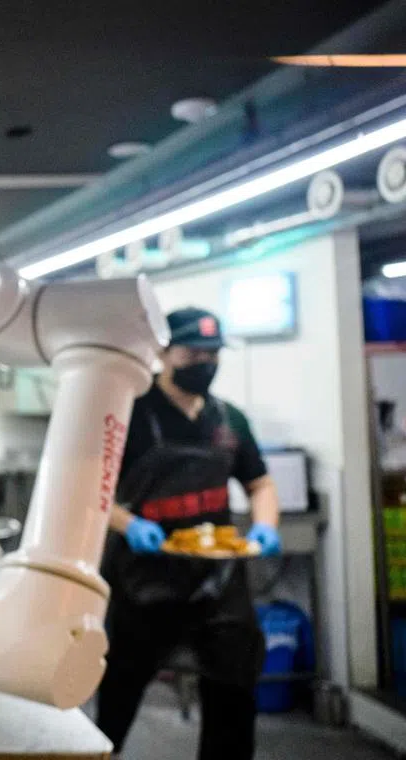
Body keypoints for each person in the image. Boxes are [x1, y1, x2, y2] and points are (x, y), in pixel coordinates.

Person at [96, 306, 282, 760]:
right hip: (146, 579)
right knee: (121, 688)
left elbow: (259, 483)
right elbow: (91, 493)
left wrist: (264, 525)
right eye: (193, 353)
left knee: (234, 688)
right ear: (162, 352)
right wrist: (130, 524)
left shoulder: (228, 419)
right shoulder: (129, 416)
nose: (204, 363)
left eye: (212, 354)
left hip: (219, 579)